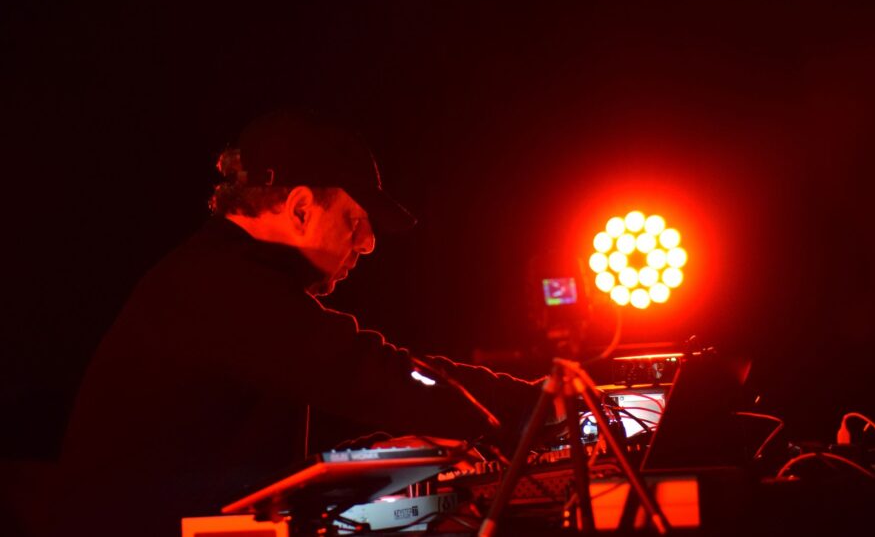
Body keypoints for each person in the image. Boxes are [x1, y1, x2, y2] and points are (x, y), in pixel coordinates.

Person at [50, 109, 542, 535]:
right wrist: (539, 415)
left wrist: (375, 453)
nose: (368, 243)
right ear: (302, 208)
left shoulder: (223, 280)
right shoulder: (221, 286)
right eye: (356, 220)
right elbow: (374, 373)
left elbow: (261, 466)